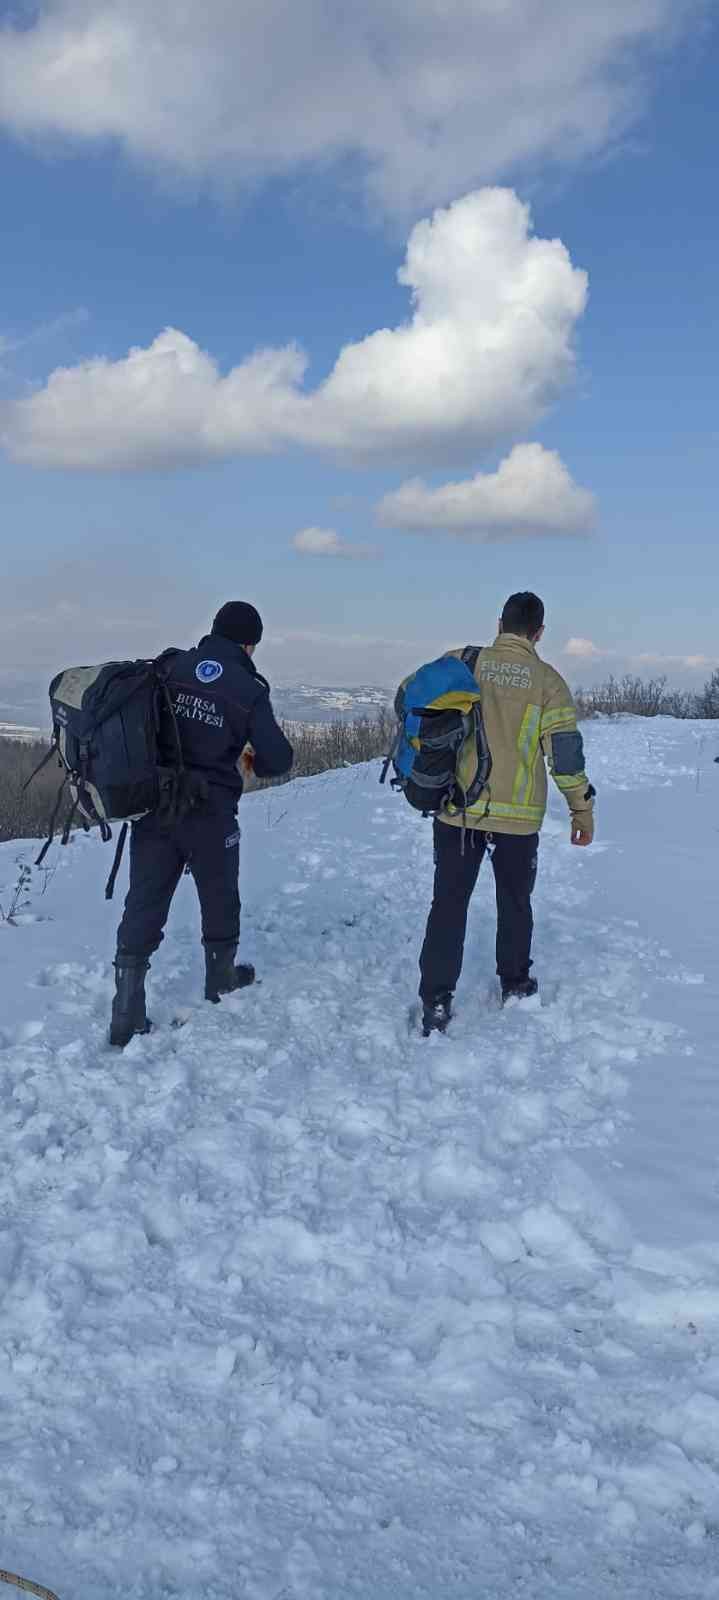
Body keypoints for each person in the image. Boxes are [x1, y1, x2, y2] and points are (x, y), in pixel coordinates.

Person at [109, 601, 293, 1047]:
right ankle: (221, 979)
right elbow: (279, 758)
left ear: (213, 632)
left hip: (156, 807)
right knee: (219, 896)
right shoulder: (248, 688)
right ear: (250, 645)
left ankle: (126, 1013)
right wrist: (249, 760)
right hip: (210, 811)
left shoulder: (170, 667)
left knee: (145, 900)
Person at [419, 591, 594, 1036]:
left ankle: (436, 1001)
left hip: (458, 811)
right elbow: (566, 758)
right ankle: (515, 983)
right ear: (538, 633)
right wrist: (581, 810)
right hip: (518, 821)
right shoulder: (547, 681)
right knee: (515, 902)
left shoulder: (461, 661)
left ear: (499, 625)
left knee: (448, 905)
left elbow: (411, 700)